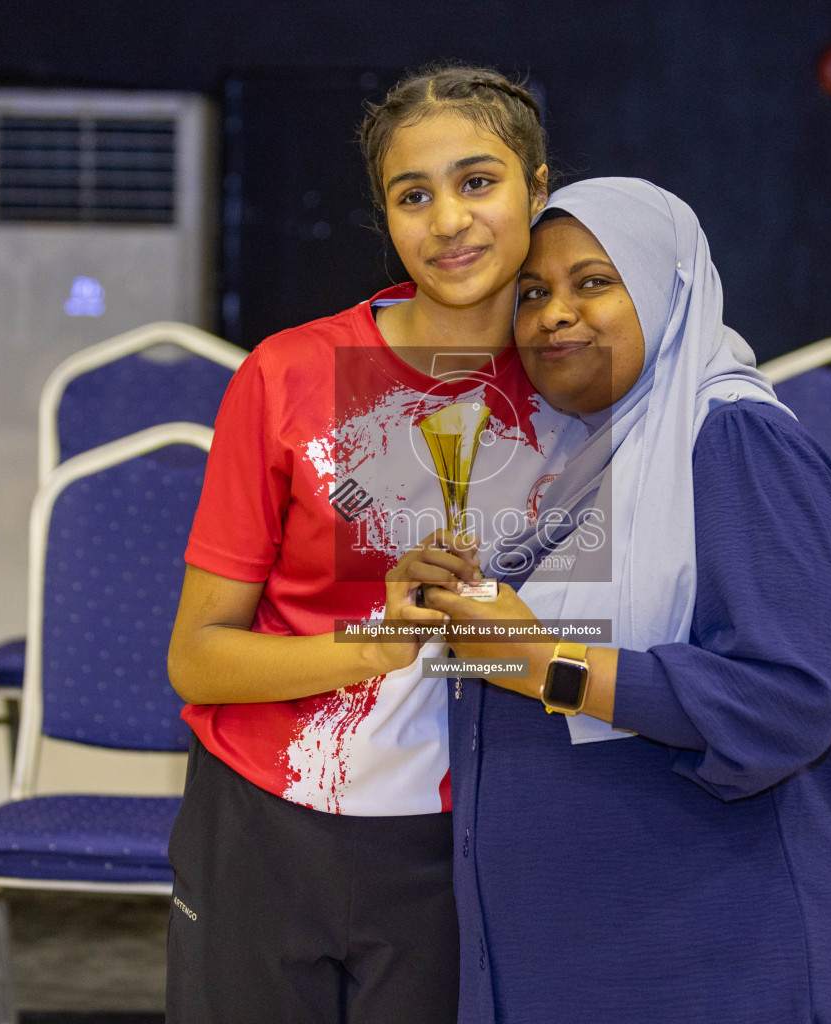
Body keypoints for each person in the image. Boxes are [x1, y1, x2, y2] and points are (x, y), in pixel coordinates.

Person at [393, 178, 831, 1023]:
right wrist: (448, 594)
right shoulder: (574, 462)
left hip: (720, 953)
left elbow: (786, 701)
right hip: (591, 947)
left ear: (669, 291)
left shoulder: (736, 439)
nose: (554, 313)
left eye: (594, 282)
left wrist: (543, 663)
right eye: (534, 293)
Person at [164, 65, 567, 1023]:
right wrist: (373, 647)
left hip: (467, 836)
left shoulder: (580, 390)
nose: (448, 220)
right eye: (412, 194)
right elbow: (197, 658)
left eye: (479, 182)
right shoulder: (288, 373)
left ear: (538, 190)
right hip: (263, 820)